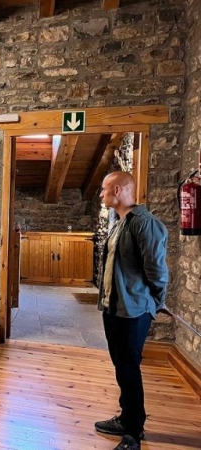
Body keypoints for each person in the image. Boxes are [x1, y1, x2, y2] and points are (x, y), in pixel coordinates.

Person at [94, 171, 169, 450]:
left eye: (103, 190)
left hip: (134, 310)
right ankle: (127, 417)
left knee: (129, 368)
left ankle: (133, 433)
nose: (101, 195)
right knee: (121, 366)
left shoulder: (145, 224)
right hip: (114, 308)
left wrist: (156, 301)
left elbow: (157, 271)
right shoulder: (119, 223)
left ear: (117, 190)